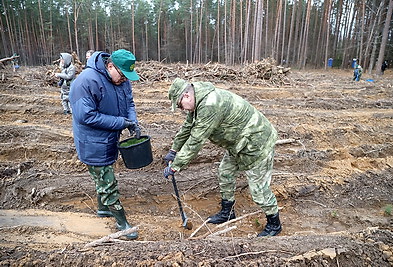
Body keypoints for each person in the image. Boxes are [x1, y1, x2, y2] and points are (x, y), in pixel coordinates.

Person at [163, 78, 282, 237]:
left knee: (258, 189)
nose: (182, 109)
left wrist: (175, 165)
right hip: (238, 143)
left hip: (256, 142)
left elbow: (196, 140)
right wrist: (174, 149)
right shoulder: (198, 101)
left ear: (186, 96)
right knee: (225, 172)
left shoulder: (210, 105)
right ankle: (228, 212)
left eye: (179, 105)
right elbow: (187, 127)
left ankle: (274, 224)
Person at [69, 49, 141, 240]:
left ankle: (103, 209)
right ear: (110, 66)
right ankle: (122, 222)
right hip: (92, 142)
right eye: (123, 75)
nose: (125, 80)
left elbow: (129, 103)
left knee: (104, 174)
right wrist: (121, 123)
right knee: (107, 181)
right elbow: (86, 116)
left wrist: (132, 122)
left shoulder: (121, 80)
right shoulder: (86, 81)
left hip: (109, 138)